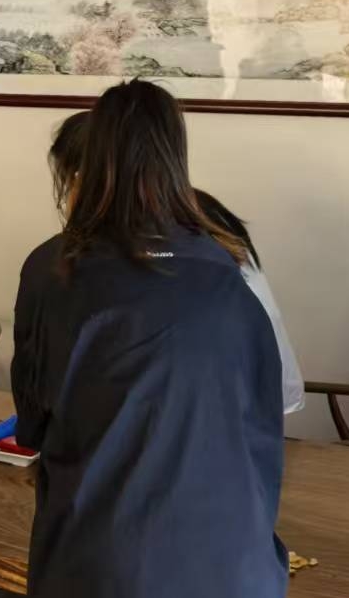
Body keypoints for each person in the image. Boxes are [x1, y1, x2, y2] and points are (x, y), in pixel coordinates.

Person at [15, 80, 287, 598]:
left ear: (91, 158)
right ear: (176, 156)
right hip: (226, 587)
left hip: (106, 578)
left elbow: (34, 424)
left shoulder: (53, 271)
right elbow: (262, 425)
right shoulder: (233, 273)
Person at [48, 108, 304, 413]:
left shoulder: (132, 239)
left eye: (72, 180)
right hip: (249, 403)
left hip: (212, 409)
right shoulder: (199, 211)